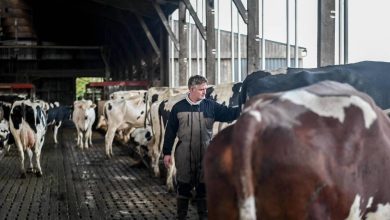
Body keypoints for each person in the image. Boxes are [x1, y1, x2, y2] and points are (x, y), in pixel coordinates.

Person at [163, 75, 240, 220]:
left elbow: (230, 113)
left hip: (205, 153)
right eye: (201, 89)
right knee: (183, 186)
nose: (205, 92)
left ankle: (203, 217)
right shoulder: (178, 108)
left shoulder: (211, 106)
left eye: (205, 89)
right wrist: (167, 153)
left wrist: (244, 104)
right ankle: (181, 216)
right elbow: (170, 132)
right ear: (191, 89)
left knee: (203, 188)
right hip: (184, 154)